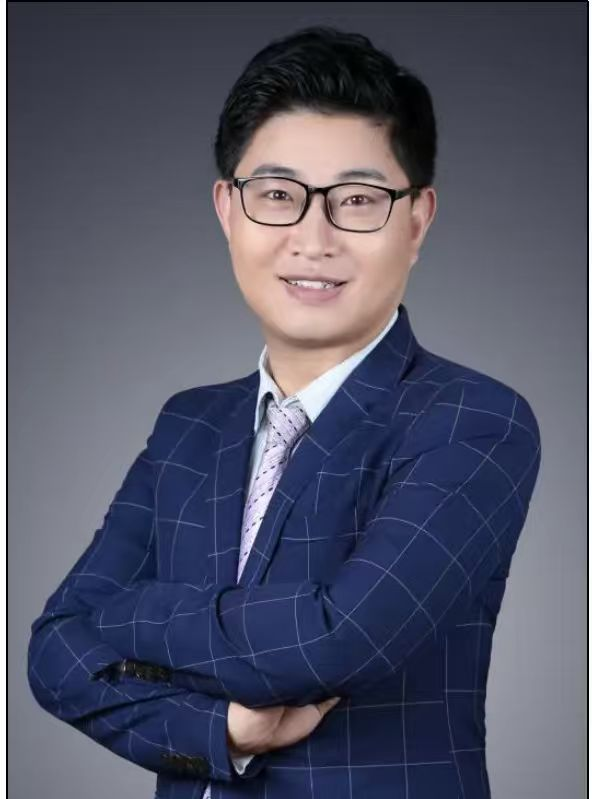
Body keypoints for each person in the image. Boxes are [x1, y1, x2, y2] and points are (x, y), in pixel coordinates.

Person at [27, 25, 542, 799]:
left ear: (417, 220)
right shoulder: (190, 425)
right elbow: (54, 653)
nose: (313, 237)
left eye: (358, 200)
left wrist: (129, 613)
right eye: (277, 195)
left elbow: (335, 640)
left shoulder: (472, 420)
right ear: (228, 209)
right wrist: (223, 731)